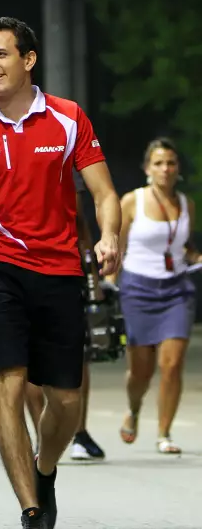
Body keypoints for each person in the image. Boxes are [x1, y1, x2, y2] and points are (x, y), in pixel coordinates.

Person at [0, 17, 121, 529]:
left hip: (57, 269)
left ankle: (46, 467)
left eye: (1, 54)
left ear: (28, 59)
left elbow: (103, 193)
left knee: (66, 400)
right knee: (8, 384)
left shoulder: (67, 117)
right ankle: (31, 509)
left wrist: (109, 236)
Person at [109, 138, 199, 455]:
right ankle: (134, 409)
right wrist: (108, 284)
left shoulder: (187, 204)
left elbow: (183, 247)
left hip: (177, 289)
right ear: (147, 168)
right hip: (137, 287)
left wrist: (196, 258)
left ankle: (164, 432)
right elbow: (115, 246)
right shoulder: (132, 201)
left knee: (172, 364)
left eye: (171, 162)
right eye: (159, 163)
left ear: (177, 169)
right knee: (141, 371)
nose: (165, 168)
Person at [25, 174, 107, 461]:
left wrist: (93, 278)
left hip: (65, 269)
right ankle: (41, 437)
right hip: (16, 267)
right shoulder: (6, 152)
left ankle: (79, 433)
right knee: (26, 358)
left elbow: (80, 223)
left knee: (77, 356)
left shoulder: (64, 160)